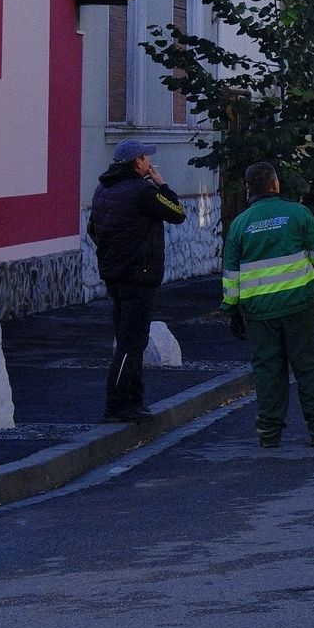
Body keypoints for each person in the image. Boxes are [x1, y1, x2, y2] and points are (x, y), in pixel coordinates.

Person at [221, 161, 314, 448]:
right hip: (298, 307)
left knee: (267, 372)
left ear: (249, 190)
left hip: (259, 313)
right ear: (276, 185)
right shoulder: (297, 214)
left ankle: (268, 433)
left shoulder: (239, 225)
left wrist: (232, 311)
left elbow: (231, 274)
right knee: (309, 368)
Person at [86, 140, 187, 424]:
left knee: (129, 338)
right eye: (146, 159)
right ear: (138, 162)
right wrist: (162, 185)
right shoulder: (143, 191)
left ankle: (134, 399)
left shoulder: (102, 190)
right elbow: (178, 213)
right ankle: (117, 403)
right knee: (132, 341)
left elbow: (93, 229)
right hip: (139, 276)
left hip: (114, 275)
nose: (150, 164)